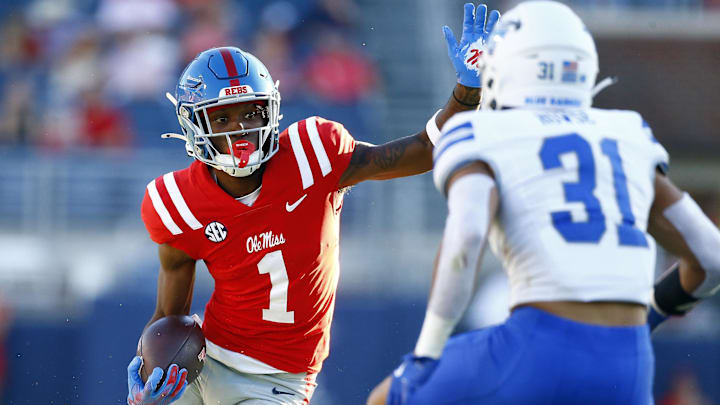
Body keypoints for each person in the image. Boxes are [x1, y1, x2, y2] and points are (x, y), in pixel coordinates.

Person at [125, 3, 500, 404]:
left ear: (271, 109)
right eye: (222, 119)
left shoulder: (312, 155)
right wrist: (149, 370)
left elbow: (423, 150)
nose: (240, 130)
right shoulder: (177, 201)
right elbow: (170, 315)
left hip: (279, 381)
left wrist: (467, 92)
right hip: (203, 364)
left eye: (251, 113)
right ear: (194, 124)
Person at [367, 2, 720, 404]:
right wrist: (649, 315)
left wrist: (426, 352)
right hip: (629, 362)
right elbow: (711, 256)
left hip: (539, 343)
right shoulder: (627, 133)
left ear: (506, 68)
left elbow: (465, 239)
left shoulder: (483, 131)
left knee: (385, 398)